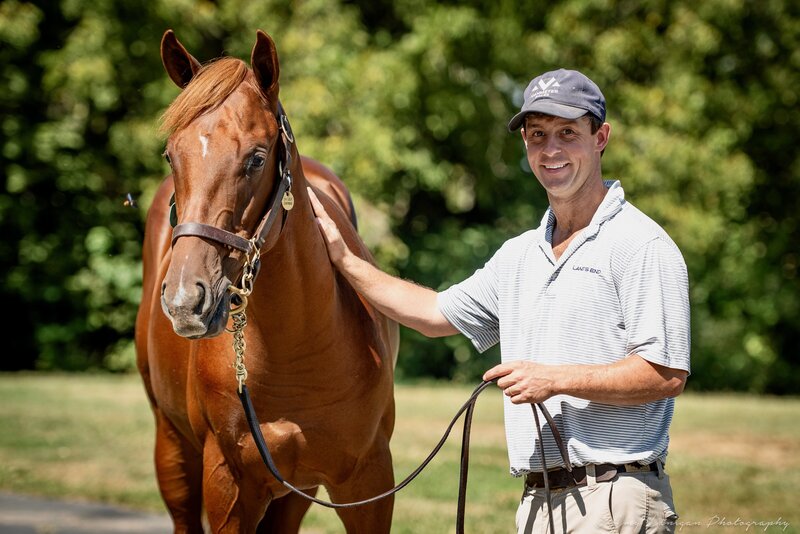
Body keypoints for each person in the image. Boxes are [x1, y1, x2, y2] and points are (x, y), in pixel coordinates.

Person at [308, 68, 690, 534]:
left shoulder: (640, 244)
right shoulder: (520, 255)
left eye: (568, 133)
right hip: (536, 501)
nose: (550, 150)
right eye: (537, 135)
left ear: (601, 137)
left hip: (615, 497)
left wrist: (553, 379)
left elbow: (666, 373)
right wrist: (345, 260)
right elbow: (432, 314)